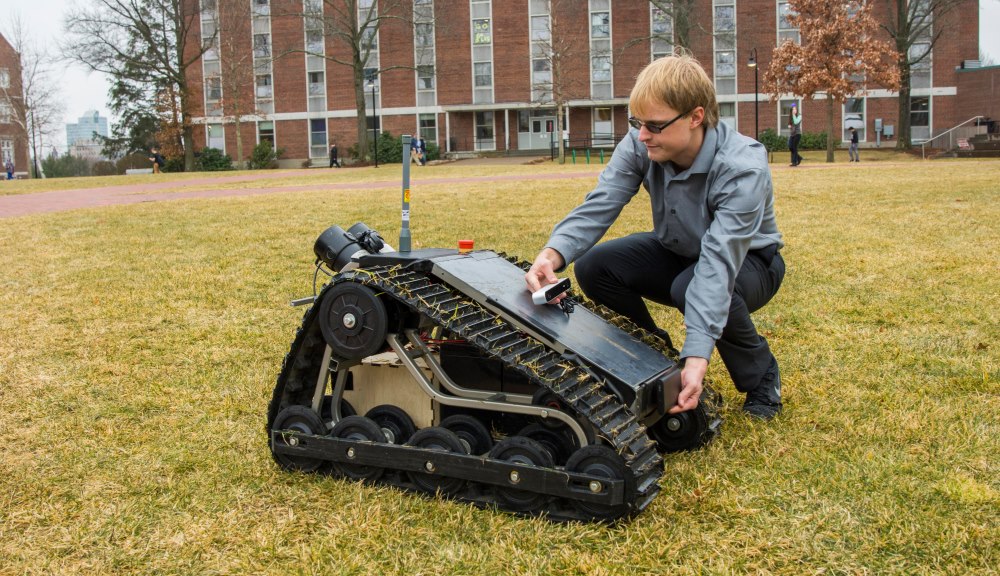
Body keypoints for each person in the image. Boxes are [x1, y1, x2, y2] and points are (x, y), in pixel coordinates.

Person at [525, 55, 786, 420]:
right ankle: (651, 355)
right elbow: (603, 201)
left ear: (696, 117)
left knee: (690, 287)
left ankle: (761, 377)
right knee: (595, 266)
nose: (642, 134)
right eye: (637, 123)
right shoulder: (642, 143)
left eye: (655, 125)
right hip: (677, 250)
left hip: (750, 263)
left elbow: (719, 261)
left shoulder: (742, 167)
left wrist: (696, 357)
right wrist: (552, 254)